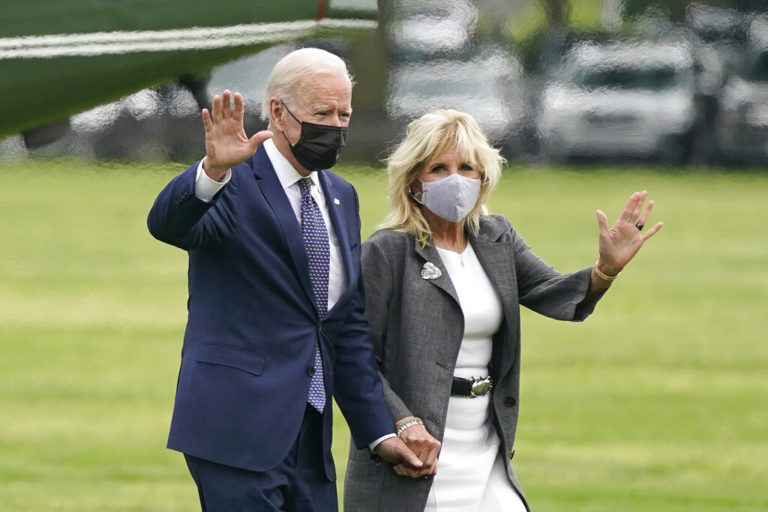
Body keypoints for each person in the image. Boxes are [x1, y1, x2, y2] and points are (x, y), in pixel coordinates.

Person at [343, 109, 663, 511]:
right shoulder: (386, 251)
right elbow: (355, 357)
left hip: (485, 444)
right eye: (438, 168)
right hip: (418, 452)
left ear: (484, 177)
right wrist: (402, 424)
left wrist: (605, 270)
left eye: (466, 167)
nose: (455, 179)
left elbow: (553, 291)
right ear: (413, 183)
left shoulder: (497, 237)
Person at [147, 47, 422, 512]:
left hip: (311, 439)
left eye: (344, 114)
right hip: (235, 430)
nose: (335, 126)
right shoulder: (231, 179)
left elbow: (343, 327)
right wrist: (213, 171)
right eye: (322, 113)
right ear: (277, 111)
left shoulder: (341, 196)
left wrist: (378, 430)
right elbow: (169, 225)